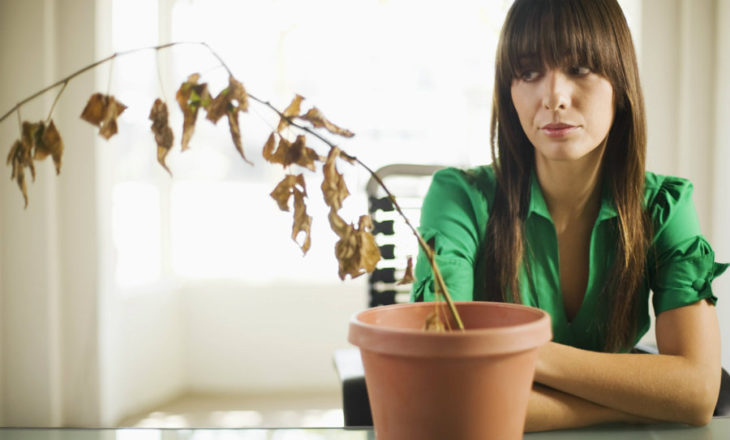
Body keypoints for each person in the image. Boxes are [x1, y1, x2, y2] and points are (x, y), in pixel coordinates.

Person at [411, 0, 728, 432]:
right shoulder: (459, 200)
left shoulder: (664, 206)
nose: (554, 97)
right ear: (510, 90)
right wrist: (643, 399)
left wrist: (517, 352)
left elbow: (696, 394)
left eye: (579, 68)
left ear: (621, 83)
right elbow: (447, 390)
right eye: (528, 72)